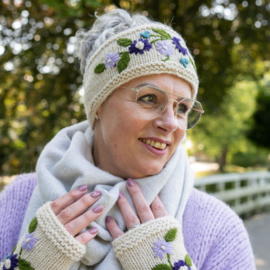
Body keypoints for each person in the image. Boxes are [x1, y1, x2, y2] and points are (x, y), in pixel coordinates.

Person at [0, 8, 255, 270]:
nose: (170, 123)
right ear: (98, 104)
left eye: (182, 108)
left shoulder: (219, 230)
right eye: (149, 98)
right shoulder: (17, 200)